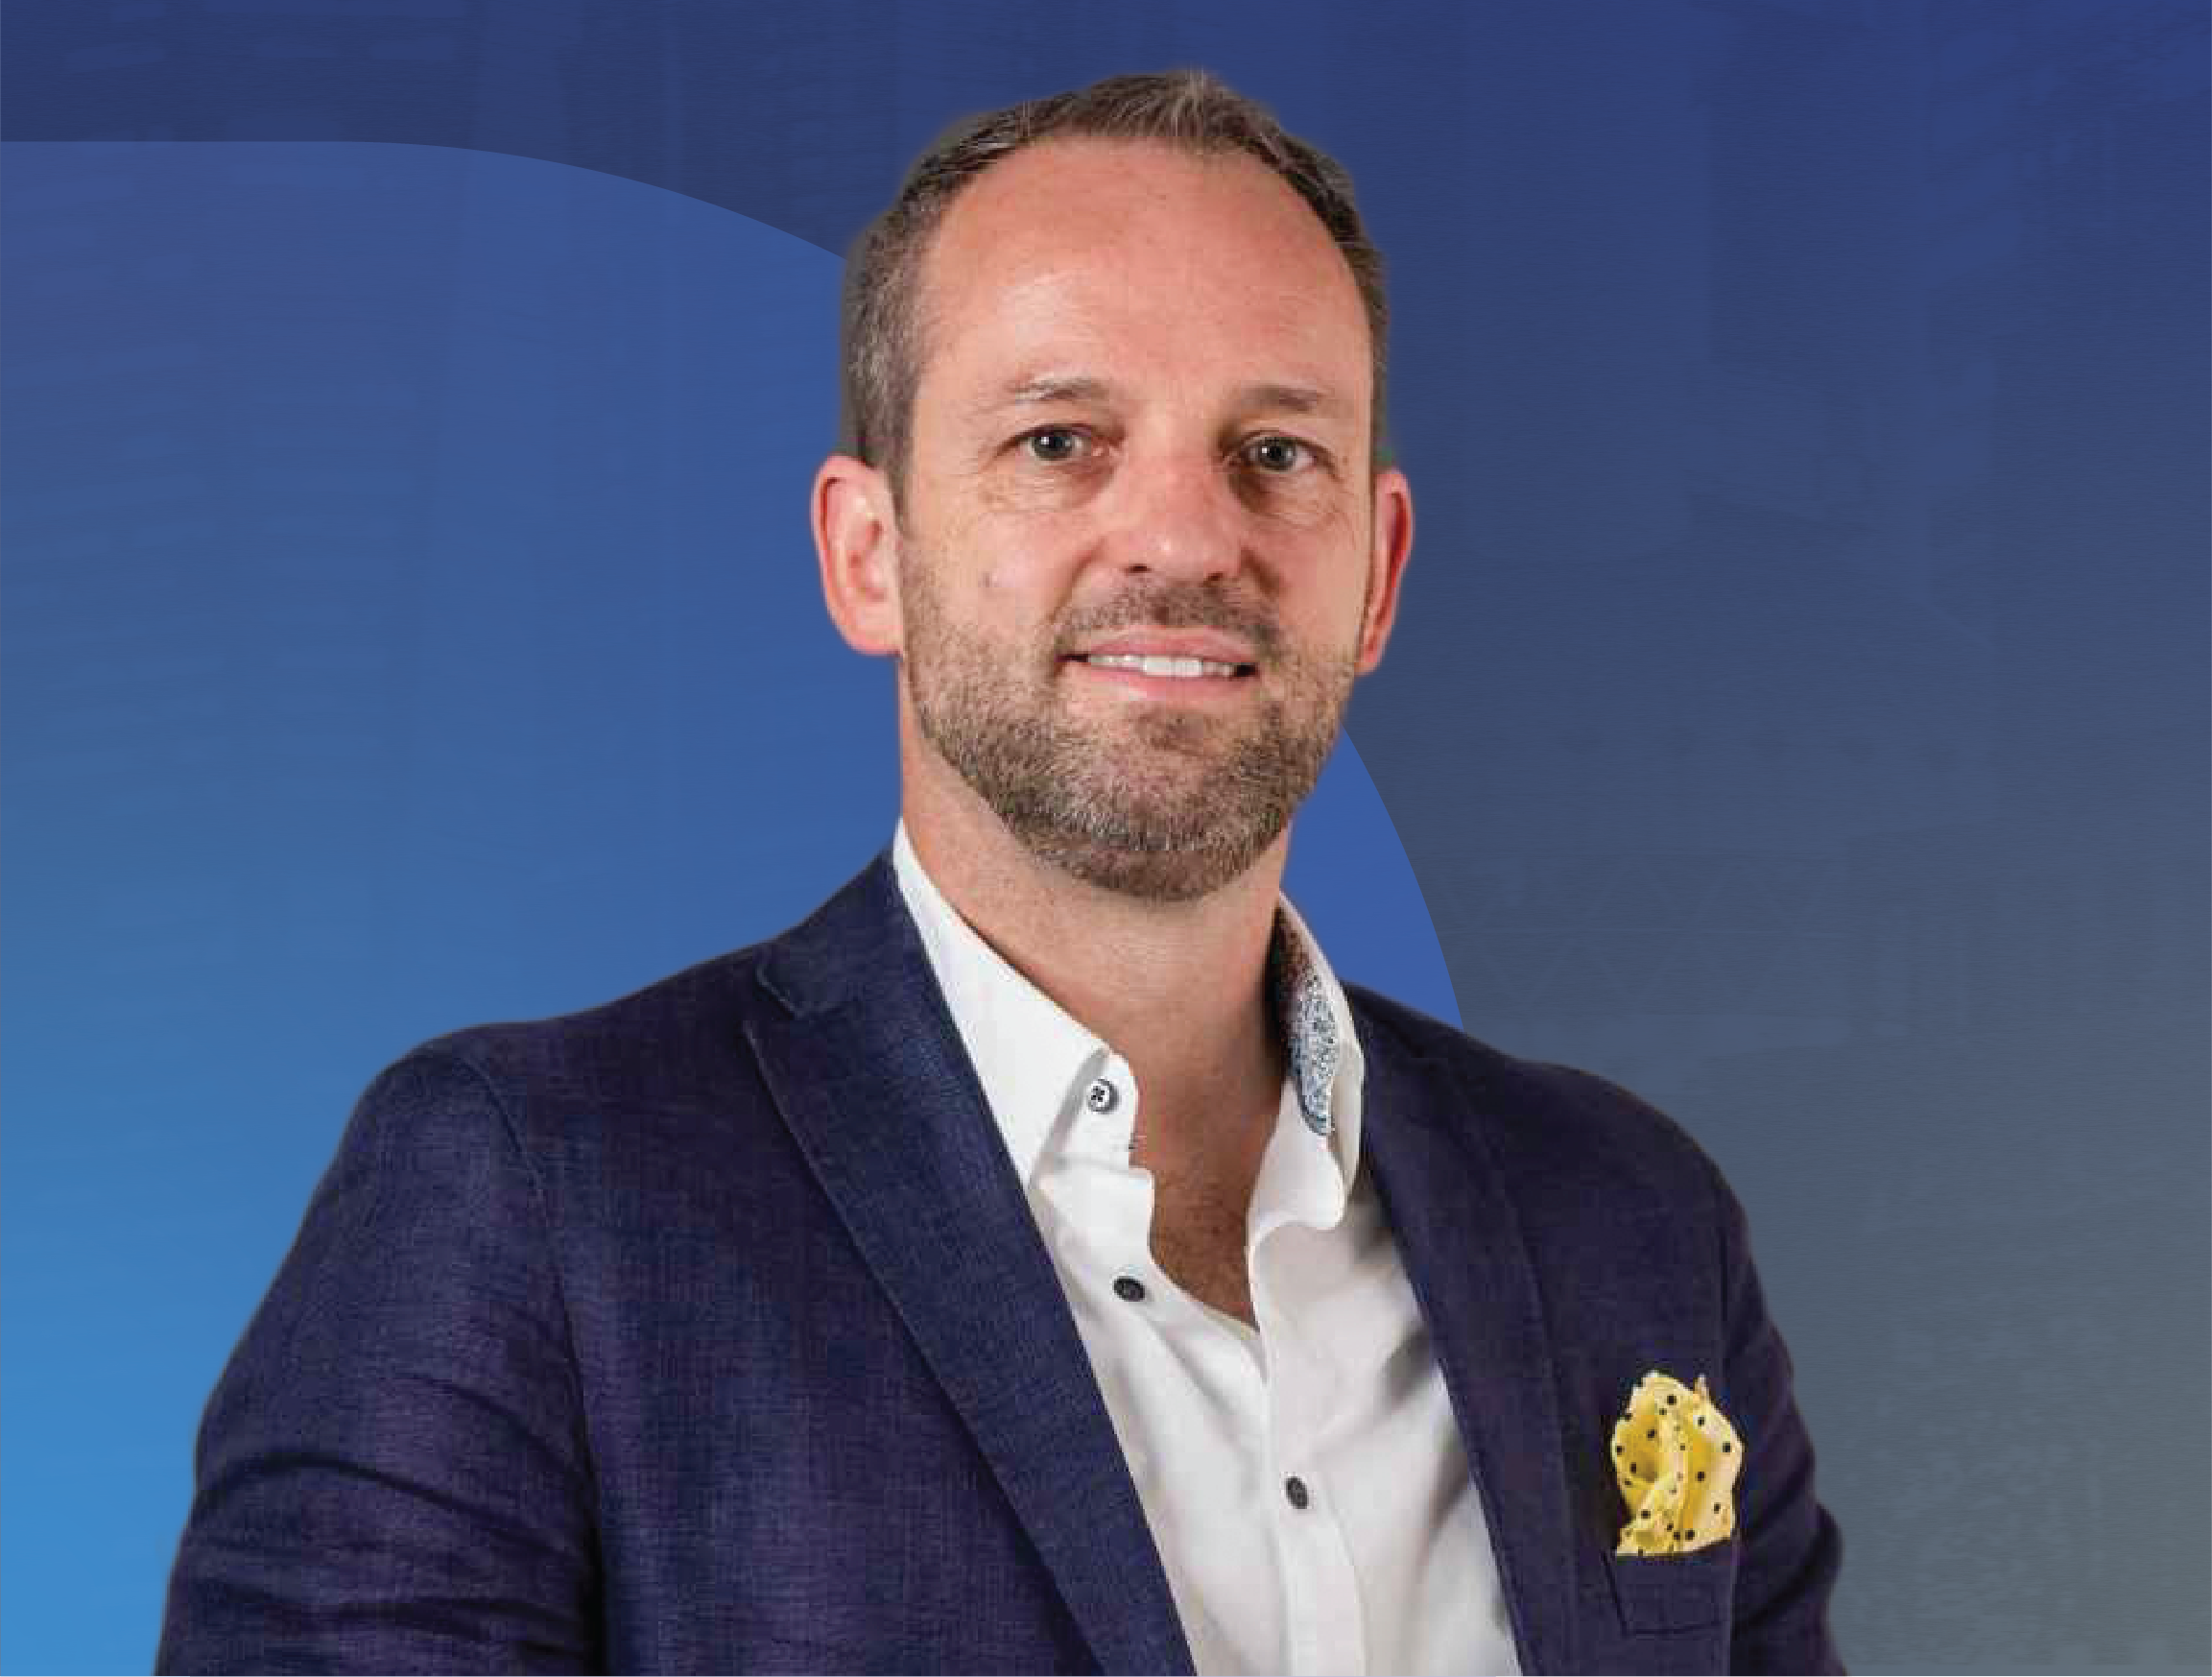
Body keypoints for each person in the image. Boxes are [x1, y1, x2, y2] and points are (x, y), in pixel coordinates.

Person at [158, 69, 1843, 1676]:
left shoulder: (1633, 1224)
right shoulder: (528, 1201)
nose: (1184, 537)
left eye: (1277, 451)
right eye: (1060, 441)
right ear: (867, 553)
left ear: (1379, 573)